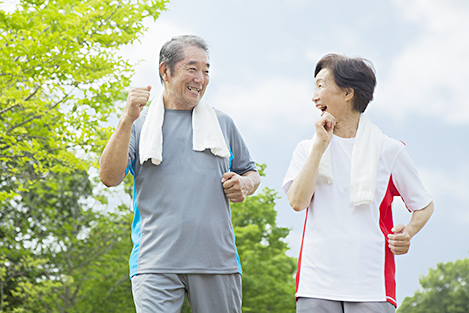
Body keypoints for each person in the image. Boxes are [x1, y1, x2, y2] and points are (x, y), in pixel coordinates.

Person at [100, 35, 260, 313]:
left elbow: (250, 172)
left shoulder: (222, 123)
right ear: (165, 71)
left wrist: (244, 184)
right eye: (192, 68)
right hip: (154, 262)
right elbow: (109, 177)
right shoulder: (139, 126)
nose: (201, 78)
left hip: (217, 262)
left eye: (206, 71)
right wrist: (127, 118)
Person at [282, 54, 434, 313]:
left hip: (371, 284)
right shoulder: (307, 148)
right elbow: (297, 202)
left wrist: (408, 231)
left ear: (347, 92)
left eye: (321, 85)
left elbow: (424, 205)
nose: (314, 96)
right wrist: (320, 146)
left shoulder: (389, 150)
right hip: (316, 283)